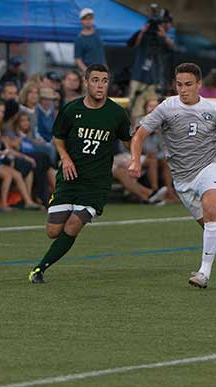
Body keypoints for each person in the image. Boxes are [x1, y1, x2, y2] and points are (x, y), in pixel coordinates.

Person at [129, 62, 216, 289]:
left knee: (211, 212)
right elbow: (140, 135)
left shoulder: (213, 109)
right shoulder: (166, 107)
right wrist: (135, 160)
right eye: (179, 84)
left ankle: (204, 272)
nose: (183, 89)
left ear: (199, 85)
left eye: (188, 84)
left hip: (209, 168)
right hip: (182, 179)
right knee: (213, 224)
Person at [28, 64, 132, 284]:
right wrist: (65, 157)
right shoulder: (71, 109)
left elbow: (129, 140)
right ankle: (51, 250)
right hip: (69, 179)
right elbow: (58, 137)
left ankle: (39, 269)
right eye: (95, 80)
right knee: (53, 231)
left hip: (96, 184)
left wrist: (138, 158)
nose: (100, 85)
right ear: (86, 82)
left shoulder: (116, 114)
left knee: (73, 224)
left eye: (104, 80)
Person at [127, 8, 174, 123]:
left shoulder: (163, 38)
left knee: (154, 113)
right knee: (136, 112)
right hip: (139, 77)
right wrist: (143, 32)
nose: (163, 26)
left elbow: (172, 48)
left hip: (155, 79)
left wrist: (164, 36)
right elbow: (132, 44)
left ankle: (152, 138)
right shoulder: (144, 34)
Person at [74, 8, 106, 73]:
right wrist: (88, 72)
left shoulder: (98, 33)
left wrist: (105, 67)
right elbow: (78, 60)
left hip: (101, 71)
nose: (88, 21)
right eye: (85, 19)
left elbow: (101, 53)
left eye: (90, 18)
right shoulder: (79, 39)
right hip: (89, 73)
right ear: (81, 21)